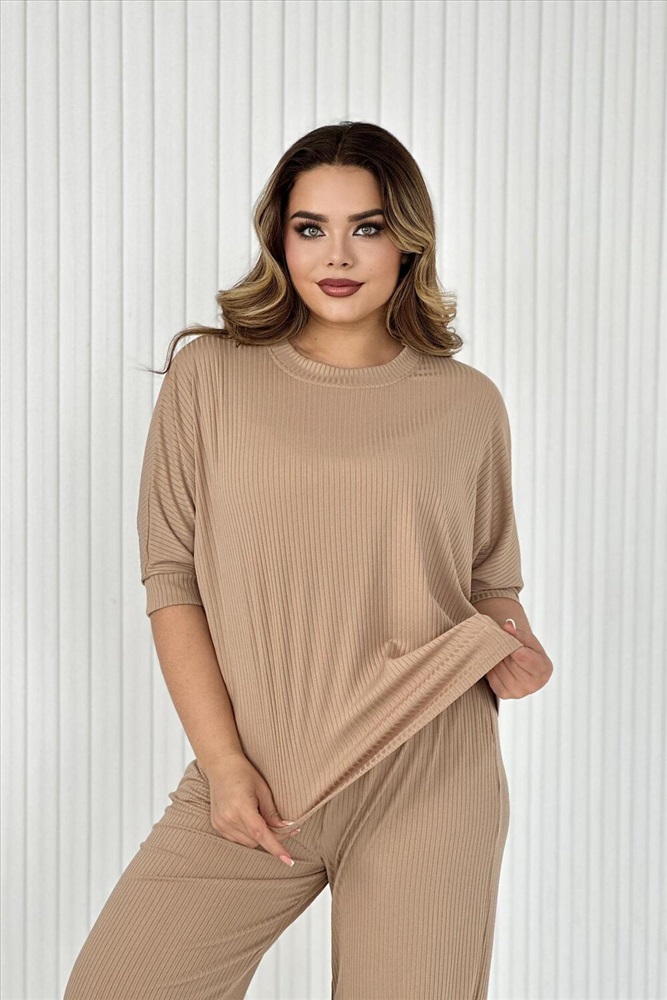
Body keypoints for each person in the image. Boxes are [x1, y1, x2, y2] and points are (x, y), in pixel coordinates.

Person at [64, 120, 553, 1000]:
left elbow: (488, 582)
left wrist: (515, 644)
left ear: (407, 242)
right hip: (257, 772)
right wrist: (222, 766)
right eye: (310, 227)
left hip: (429, 771)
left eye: (366, 227)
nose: (337, 254)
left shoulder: (466, 403)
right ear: (279, 239)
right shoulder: (209, 377)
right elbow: (172, 580)